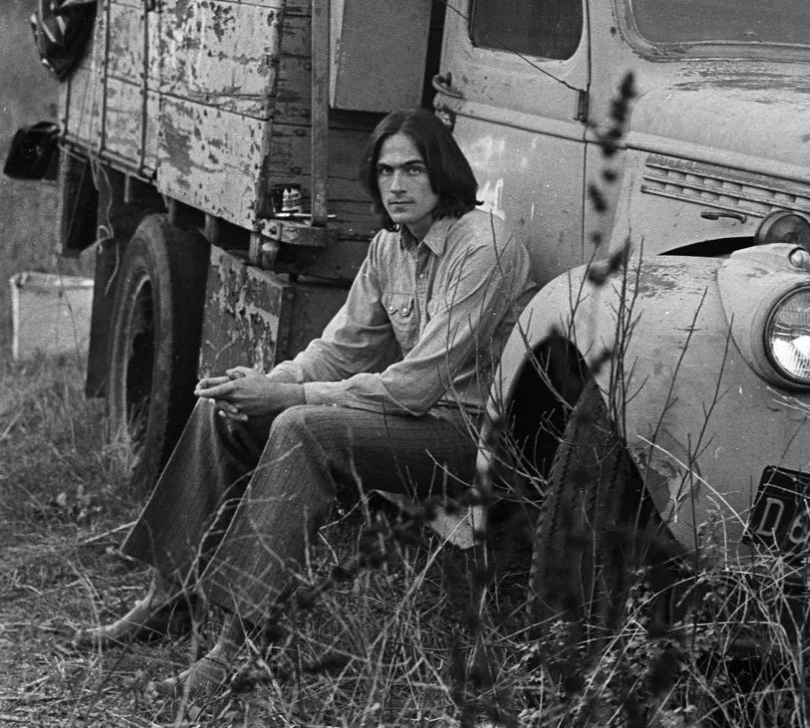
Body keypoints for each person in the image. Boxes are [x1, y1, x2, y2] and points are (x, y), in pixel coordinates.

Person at [74, 108, 531, 707]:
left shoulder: (484, 247)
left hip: (467, 435)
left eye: (414, 170)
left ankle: (233, 651)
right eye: (386, 172)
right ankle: (168, 599)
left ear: (443, 173)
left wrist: (288, 398)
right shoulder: (390, 248)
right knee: (228, 411)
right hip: (410, 421)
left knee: (300, 426)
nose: (397, 186)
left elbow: (419, 387)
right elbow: (340, 353)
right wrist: (263, 383)